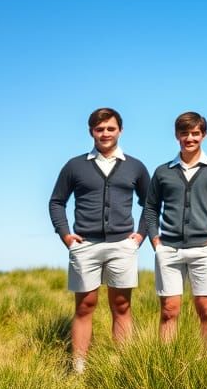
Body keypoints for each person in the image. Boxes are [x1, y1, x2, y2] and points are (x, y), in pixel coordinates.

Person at [48, 107, 150, 374]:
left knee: (122, 305)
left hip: (122, 246)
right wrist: (66, 235)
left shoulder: (135, 166)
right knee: (85, 306)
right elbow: (57, 202)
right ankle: (79, 368)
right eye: (99, 129)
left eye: (110, 128)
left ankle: (124, 368)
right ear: (91, 131)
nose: (105, 133)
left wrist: (140, 235)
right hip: (85, 246)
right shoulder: (75, 166)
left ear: (120, 131)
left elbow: (150, 204)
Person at [144, 111, 207, 351]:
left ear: (204, 135)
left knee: (206, 309)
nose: (190, 138)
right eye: (184, 133)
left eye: (195, 133)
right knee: (169, 310)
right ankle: (166, 363)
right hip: (168, 250)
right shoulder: (163, 172)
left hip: (204, 250)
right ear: (177, 135)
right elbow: (150, 208)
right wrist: (155, 241)